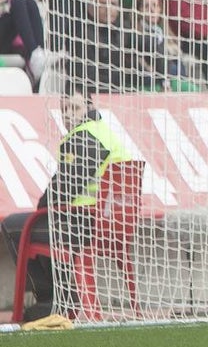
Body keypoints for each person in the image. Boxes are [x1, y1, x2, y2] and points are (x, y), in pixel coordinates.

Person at [0, 92, 133, 321]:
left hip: (85, 225)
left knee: (15, 226)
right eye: (65, 109)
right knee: (40, 223)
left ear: (89, 106)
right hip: (113, 224)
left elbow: (63, 189)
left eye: (75, 108)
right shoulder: (104, 132)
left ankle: (53, 298)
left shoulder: (84, 137)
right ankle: (60, 295)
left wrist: (39, 209)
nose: (69, 115)